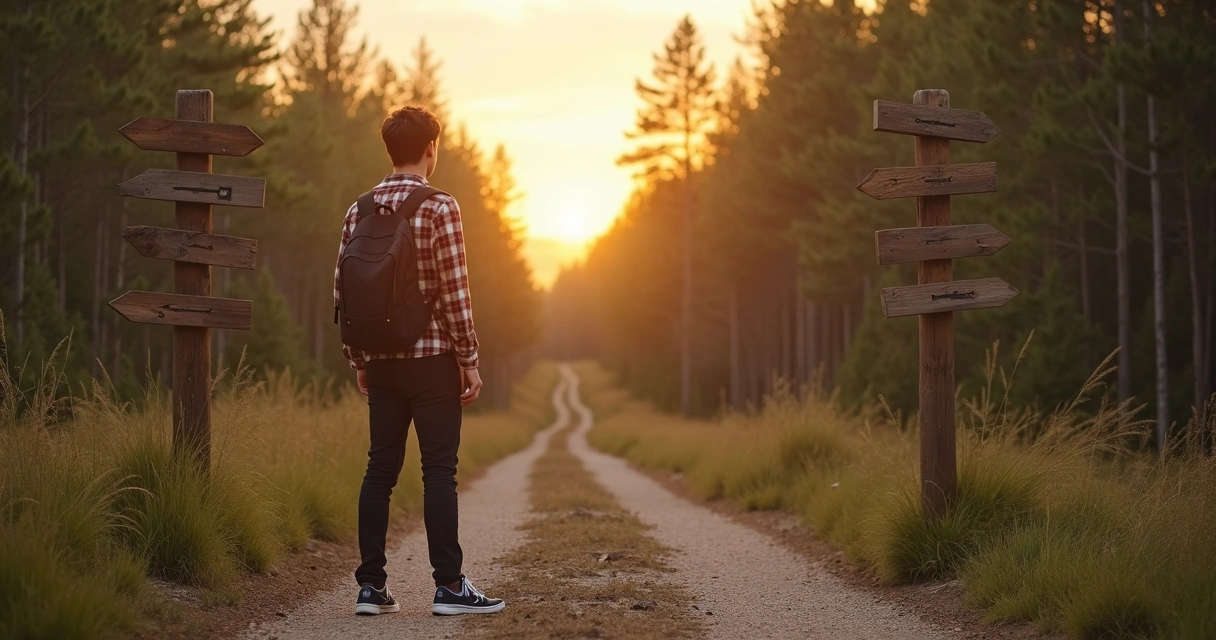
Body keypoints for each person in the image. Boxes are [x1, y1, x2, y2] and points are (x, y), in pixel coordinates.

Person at [333, 105, 505, 617]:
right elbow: (456, 291)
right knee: (438, 472)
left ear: (390, 150)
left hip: (381, 362)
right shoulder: (440, 206)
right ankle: (449, 588)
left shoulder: (358, 209)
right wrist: (469, 359)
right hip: (432, 362)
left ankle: (370, 588)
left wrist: (358, 357)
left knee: (379, 469)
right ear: (431, 148)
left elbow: (342, 289)